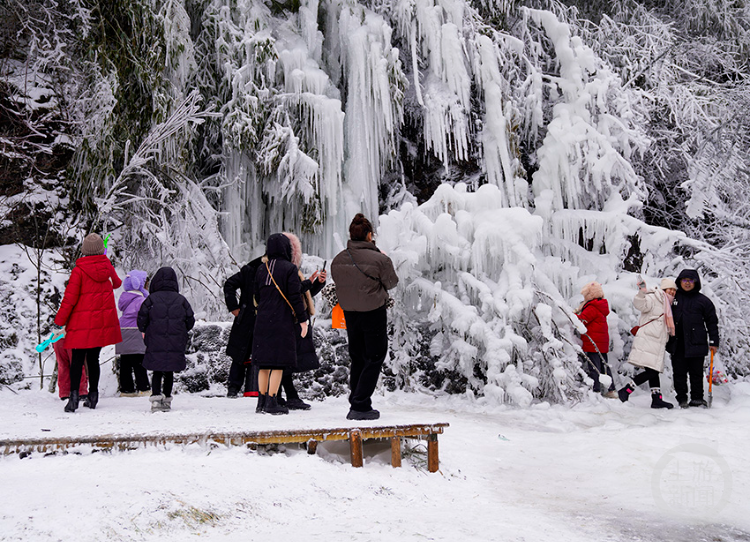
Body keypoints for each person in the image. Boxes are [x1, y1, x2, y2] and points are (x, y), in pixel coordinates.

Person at [331, 214, 399, 420]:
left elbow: (339, 282)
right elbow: (391, 282)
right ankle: (360, 404)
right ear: (370, 235)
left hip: (350, 313)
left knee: (358, 356)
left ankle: (358, 401)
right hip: (373, 311)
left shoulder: (338, 259)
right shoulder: (380, 259)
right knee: (376, 355)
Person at [54, 233, 122, 412]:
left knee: (76, 360)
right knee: (93, 359)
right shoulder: (106, 265)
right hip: (101, 322)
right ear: (100, 249)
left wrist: (60, 320)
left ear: (84, 250)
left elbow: (70, 298)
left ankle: (74, 398)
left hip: (81, 323)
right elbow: (117, 283)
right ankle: (93, 396)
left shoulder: (79, 270)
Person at [252, 233, 309, 415]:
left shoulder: (261, 269)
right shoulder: (289, 269)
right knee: (277, 362)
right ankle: (271, 401)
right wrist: (303, 319)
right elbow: (295, 297)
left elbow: (257, 295)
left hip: (262, 320)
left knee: (264, 363)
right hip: (281, 320)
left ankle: (261, 402)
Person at [276, 232, 327, 410]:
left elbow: (302, 296)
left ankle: (282, 395)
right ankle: (286, 396)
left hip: (290, 318)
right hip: (289, 319)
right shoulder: (284, 271)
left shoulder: (287, 270)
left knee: (285, 360)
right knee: (286, 359)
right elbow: (294, 295)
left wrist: (316, 283)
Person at [137, 267, 195, 412]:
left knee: (157, 370)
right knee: (169, 371)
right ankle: (167, 399)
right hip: (175, 341)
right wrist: (180, 331)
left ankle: (156, 399)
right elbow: (190, 320)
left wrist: (147, 330)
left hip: (155, 340)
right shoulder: (181, 300)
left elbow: (141, 320)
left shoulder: (151, 300)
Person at [618, 277, 677, 409]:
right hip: (648, 339)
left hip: (657, 342)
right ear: (664, 289)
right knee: (652, 371)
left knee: (654, 371)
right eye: (670, 289)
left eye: (674, 290)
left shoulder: (668, 304)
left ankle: (656, 399)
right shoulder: (654, 297)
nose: (672, 292)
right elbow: (641, 304)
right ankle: (626, 390)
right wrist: (642, 292)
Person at [667, 269, 720, 408]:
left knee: (696, 373)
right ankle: (682, 398)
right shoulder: (673, 298)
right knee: (679, 372)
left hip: (697, 342)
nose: (687, 283)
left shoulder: (703, 301)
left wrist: (714, 341)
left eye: (690, 280)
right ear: (680, 281)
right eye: (684, 280)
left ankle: (697, 398)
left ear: (696, 282)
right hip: (677, 343)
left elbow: (712, 322)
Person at [223, 256, 263, 398]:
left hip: (264, 319)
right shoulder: (250, 270)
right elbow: (229, 284)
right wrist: (233, 306)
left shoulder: (277, 270)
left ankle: (261, 388)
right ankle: (233, 387)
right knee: (240, 354)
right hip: (246, 319)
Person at [575, 281, 617, 398]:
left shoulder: (592, 307)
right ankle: (611, 389)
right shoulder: (601, 305)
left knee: (594, 367)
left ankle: (596, 391)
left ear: (590, 295)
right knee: (604, 366)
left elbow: (582, 320)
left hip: (593, 342)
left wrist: (572, 315)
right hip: (602, 343)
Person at [116, 269, 151, 397]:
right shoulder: (141, 300)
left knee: (125, 361)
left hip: (122, 330)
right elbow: (145, 316)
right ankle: (144, 387)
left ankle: (126, 389)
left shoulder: (125, 298)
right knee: (139, 361)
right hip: (135, 330)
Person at [53, 335, 88, 401]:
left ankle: (64, 392)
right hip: (73, 337)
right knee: (77, 365)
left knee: (63, 366)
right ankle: (81, 391)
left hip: (58, 337)